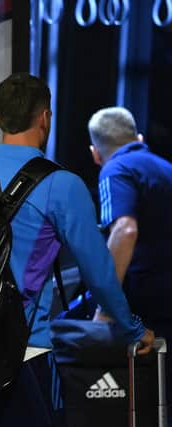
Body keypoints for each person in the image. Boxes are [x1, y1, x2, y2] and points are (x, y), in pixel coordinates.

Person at [0, 73, 155, 427]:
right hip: (25, 355)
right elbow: (100, 274)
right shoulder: (60, 184)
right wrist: (133, 329)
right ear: (45, 117)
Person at [88, 106, 172, 409]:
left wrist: (106, 305)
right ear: (139, 137)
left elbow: (124, 230)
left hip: (149, 306)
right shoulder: (164, 167)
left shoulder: (116, 169)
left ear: (96, 154)